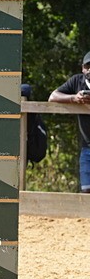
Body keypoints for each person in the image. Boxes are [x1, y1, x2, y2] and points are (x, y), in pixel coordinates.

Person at [48, 52, 90, 192]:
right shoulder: (77, 81)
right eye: (87, 66)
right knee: (86, 190)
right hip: (87, 147)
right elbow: (53, 97)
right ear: (82, 68)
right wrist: (74, 98)